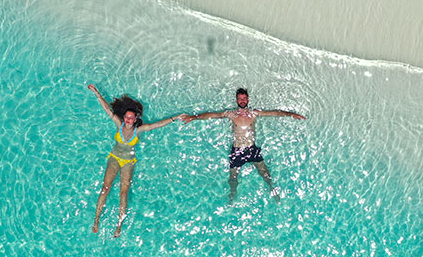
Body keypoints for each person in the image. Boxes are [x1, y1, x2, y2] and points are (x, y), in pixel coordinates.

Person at [88, 84, 186, 237]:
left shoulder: (138, 130)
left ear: (135, 120)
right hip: (114, 158)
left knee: (123, 193)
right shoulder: (119, 125)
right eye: (126, 117)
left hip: (128, 162)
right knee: (105, 188)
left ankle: (119, 225)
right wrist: (97, 93)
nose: (127, 120)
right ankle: (96, 220)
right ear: (124, 117)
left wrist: (175, 118)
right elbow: (107, 109)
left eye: (131, 118)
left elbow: (157, 125)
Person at [182, 88, 306, 202]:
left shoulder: (254, 113)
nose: (242, 101)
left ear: (248, 99)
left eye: (244, 98)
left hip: (252, 149)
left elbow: (274, 113)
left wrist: (290, 114)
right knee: (233, 178)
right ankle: (233, 195)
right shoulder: (231, 114)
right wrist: (194, 117)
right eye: (240, 98)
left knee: (265, 174)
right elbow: (212, 115)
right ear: (236, 100)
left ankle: (272, 189)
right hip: (237, 150)